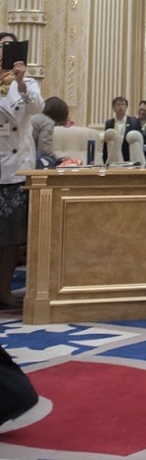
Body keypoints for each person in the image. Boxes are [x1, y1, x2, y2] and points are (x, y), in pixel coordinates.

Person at [0, 32, 43, 309]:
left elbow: (37, 108)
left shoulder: (27, 83)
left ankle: (4, 290)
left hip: (17, 168)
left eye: (8, 47)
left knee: (11, 237)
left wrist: (19, 82)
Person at [103, 96, 142, 163]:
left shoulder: (134, 121)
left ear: (126, 107)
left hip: (129, 154)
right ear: (113, 108)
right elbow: (106, 141)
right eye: (118, 105)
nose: (121, 107)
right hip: (114, 155)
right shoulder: (109, 123)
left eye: (123, 104)